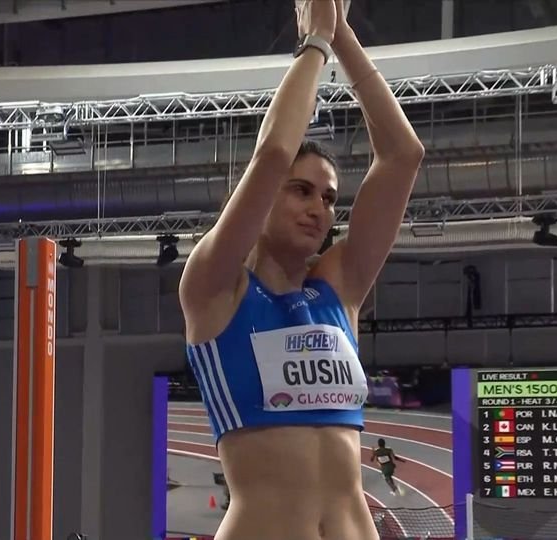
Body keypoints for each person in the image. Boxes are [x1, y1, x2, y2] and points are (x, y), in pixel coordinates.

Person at [178, 0, 425, 538]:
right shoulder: (214, 287)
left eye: (330, 198)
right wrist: (314, 43)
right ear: (266, 195)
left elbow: (403, 156)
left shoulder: (338, 288)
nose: (319, 208)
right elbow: (272, 154)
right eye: (301, 190)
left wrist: (341, 34)